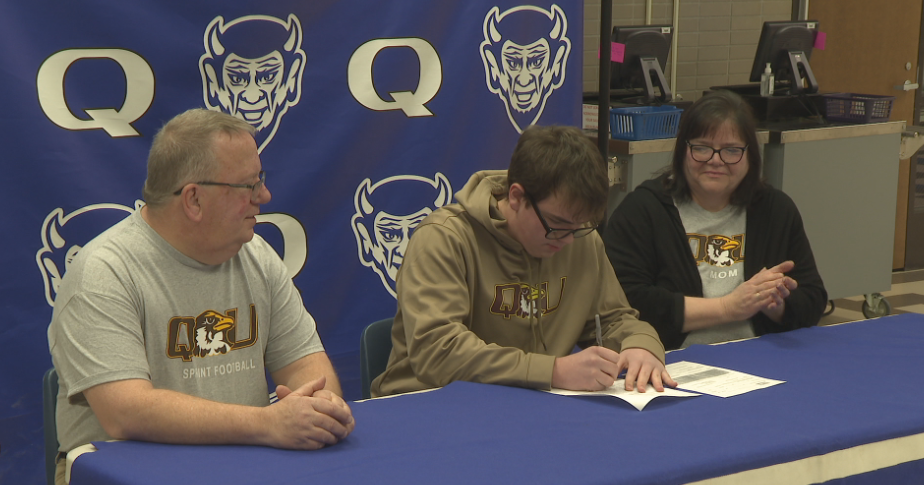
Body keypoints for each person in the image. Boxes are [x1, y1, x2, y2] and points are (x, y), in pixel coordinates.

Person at [47, 109, 354, 485]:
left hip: (245, 463)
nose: (265, 195)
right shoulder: (104, 271)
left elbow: (308, 365)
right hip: (123, 473)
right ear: (193, 200)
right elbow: (125, 413)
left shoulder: (256, 255)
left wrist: (322, 408)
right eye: (249, 185)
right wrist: (268, 423)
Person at [371, 125, 676, 398]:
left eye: (580, 226)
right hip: (426, 407)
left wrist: (640, 344)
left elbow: (614, 319)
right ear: (516, 197)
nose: (568, 240)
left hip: (527, 407)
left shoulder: (580, 239)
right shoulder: (444, 239)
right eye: (557, 224)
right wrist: (553, 371)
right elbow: (438, 352)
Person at [602, 90, 827, 350]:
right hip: (671, 364)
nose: (715, 161)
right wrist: (728, 307)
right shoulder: (644, 210)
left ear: (750, 156)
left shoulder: (775, 209)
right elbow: (625, 304)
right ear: (683, 150)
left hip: (761, 360)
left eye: (731, 151)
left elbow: (812, 300)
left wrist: (775, 304)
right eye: (702, 148)